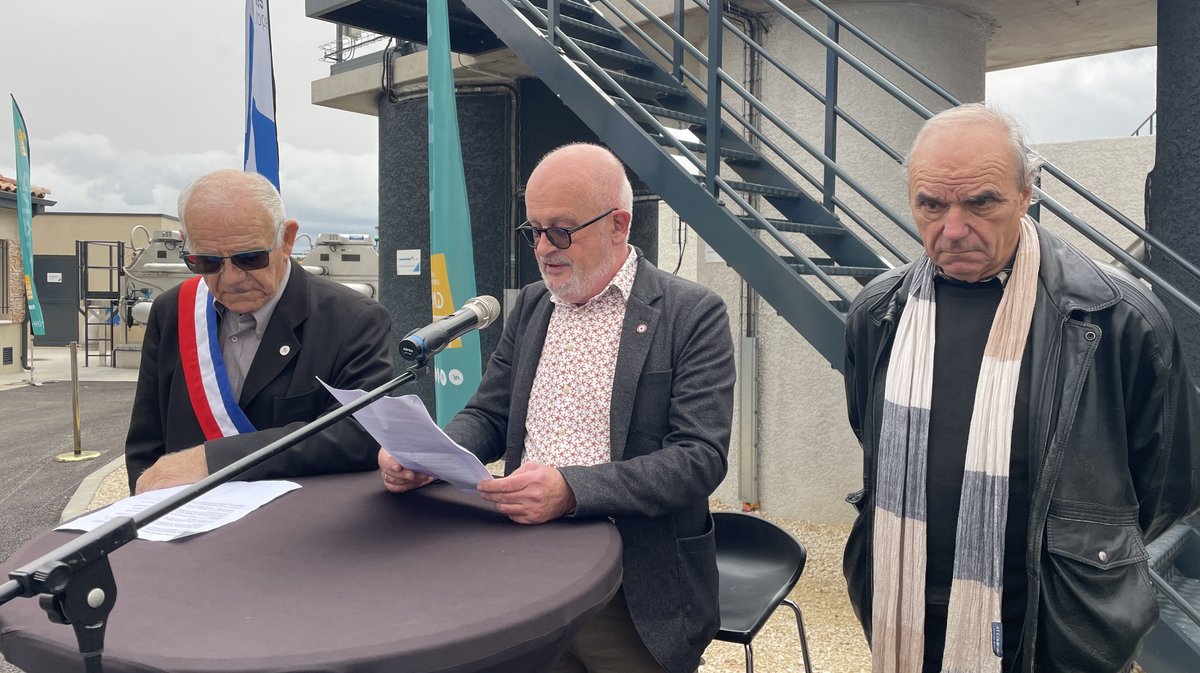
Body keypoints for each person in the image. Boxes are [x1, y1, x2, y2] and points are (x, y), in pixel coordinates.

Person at [842, 103, 1200, 673]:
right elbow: (868, 430)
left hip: (1057, 621)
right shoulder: (880, 312)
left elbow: (1168, 486)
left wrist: (1082, 552)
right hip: (906, 611)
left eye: (981, 202)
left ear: (1028, 191)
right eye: (930, 205)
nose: (952, 229)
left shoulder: (1116, 319)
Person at [378, 143, 734, 673]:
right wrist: (431, 454)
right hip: (522, 568)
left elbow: (698, 458)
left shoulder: (691, 314)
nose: (544, 248)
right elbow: (490, 416)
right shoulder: (532, 306)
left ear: (618, 225)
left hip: (633, 585)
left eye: (561, 231)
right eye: (533, 231)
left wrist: (572, 490)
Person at [125, 169, 395, 494]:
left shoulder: (352, 319)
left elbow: (361, 432)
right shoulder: (172, 311)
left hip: (292, 527)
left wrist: (213, 460)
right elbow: (146, 442)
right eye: (207, 262)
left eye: (250, 258)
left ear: (287, 239)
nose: (231, 278)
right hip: (188, 529)